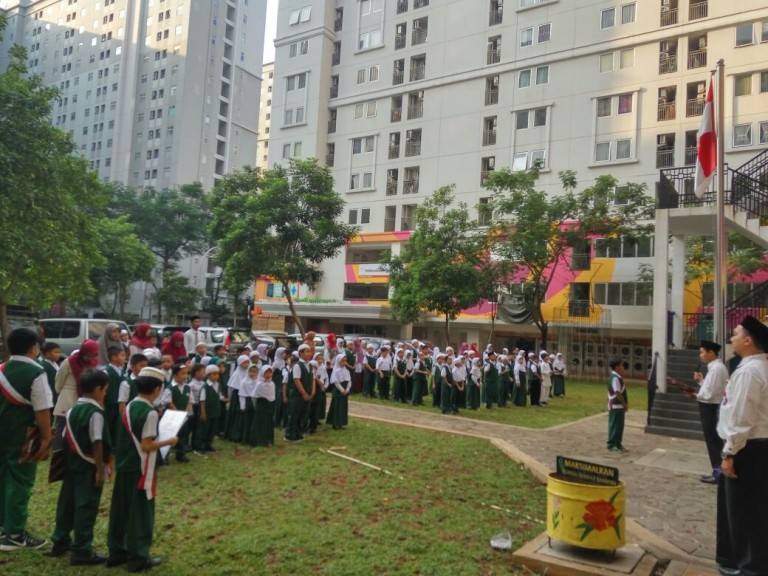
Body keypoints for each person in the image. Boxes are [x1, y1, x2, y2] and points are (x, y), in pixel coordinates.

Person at [106, 367, 178, 571]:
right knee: (140, 513)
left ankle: (117, 551)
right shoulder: (150, 412)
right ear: (156, 389)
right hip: (140, 467)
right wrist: (168, 441)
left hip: (125, 464)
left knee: (121, 510)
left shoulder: (129, 406)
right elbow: (147, 445)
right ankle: (138, 557)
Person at [715, 315, 768, 576]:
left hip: (747, 449)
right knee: (746, 508)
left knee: (745, 510)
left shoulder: (749, 371)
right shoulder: (754, 367)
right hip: (751, 447)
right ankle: (744, 562)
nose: (732, 337)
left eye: (736, 333)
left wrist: (729, 452)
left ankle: (751, 568)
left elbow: (742, 416)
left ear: (748, 340)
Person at [50, 369, 111, 565]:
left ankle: (60, 541)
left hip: (72, 466)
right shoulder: (95, 413)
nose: (105, 393)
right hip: (89, 467)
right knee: (86, 507)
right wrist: (101, 471)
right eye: (105, 390)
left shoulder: (72, 410)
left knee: (67, 504)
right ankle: (82, 550)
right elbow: (97, 442)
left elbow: (64, 438)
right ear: (97, 389)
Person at [0, 328, 53, 551]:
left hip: (3, 432)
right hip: (25, 435)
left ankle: (4, 526)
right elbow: (42, 410)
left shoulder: (2, 369)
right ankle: (14, 533)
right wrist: (47, 438)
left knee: (2, 478)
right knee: (21, 481)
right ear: (34, 348)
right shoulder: (36, 373)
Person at [689, 340, 728, 484]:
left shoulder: (717, 368)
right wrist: (701, 382)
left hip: (711, 407)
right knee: (712, 440)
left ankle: (719, 473)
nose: (701, 355)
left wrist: (695, 394)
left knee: (714, 441)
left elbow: (711, 393)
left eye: (702, 352)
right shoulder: (714, 368)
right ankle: (716, 471)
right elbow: (710, 388)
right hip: (708, 405)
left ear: (711, 352)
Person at [285, 344, 315, 442]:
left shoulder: (310, 366)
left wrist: (313, 391)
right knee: (295, 414)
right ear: (300, 353)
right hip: (297, 395)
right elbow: (296, 380)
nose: (309, 354)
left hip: (308, 394)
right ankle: (290, 434)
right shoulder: (298, 365)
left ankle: (298, 433)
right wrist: (303, 393)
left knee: (303, 414)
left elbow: (313, 379)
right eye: (307, 351)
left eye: (310, 351)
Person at [168, 363, 192, 463]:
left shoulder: (187, 387)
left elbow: (190, 401)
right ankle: (165, 455)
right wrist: (177, 412)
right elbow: (168, 401)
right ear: (175, 376)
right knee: (171, 436)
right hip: (173, 416)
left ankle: (181, 454)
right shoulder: (170, 388)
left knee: (183, 435)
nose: (185, 376)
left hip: (184, 416)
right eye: (182, 374)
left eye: (186, 373)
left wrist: (186, 411)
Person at [103, 346, 126, 444]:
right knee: (109, 424)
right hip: (110, 404)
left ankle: (116, 444)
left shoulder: (122, 371)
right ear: (114, 357)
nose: (125, 358)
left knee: (118, 424)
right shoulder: (106, 371)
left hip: (119, 403)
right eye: (122, 355)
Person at [198, 364, 223, 453]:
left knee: (212, 429)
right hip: (207, 412)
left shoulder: (218, 385)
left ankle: (209, 445)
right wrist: (203, 412)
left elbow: (218, 396)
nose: (216, 376)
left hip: (215, 411)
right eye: (214, 374)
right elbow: (202, 400)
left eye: (217, 374)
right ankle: (201, 446)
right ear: (208, 375)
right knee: (205, 430)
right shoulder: (205, 387)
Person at [606, 359, 629, 452]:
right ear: (617, 367)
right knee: (614, 426)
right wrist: (624, 403)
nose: (623, 368)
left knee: (619, 426)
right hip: (615, 405)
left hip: (619, 406)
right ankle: (611, 444)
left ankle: (618, 443)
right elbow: (617, 392)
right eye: (622, 366)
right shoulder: (615, 378)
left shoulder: (617, 377)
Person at [251, 366, 275, 446]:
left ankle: (268, 440)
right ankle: (259, 440)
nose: (268, 374)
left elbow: (272, 397)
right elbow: (254, 396)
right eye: (266, 373)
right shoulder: (259, 384)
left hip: (269, 405)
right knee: (260, 422)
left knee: (268, 422)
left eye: (270, 372)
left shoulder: (272, 384)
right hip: (261, 404)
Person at [326, 354, 351, 429]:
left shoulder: (346, 370)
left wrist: (347, 389)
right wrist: (342, 390)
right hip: (338, 391)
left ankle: (341, 422)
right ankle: (335, 423)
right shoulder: (336, 371)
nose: (344, 363)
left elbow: (349, 381)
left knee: (343, 407)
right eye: (342, 361)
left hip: (345, 390)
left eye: (345, 361)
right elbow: (336, 382)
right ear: (338, 361)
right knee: (336, 406)